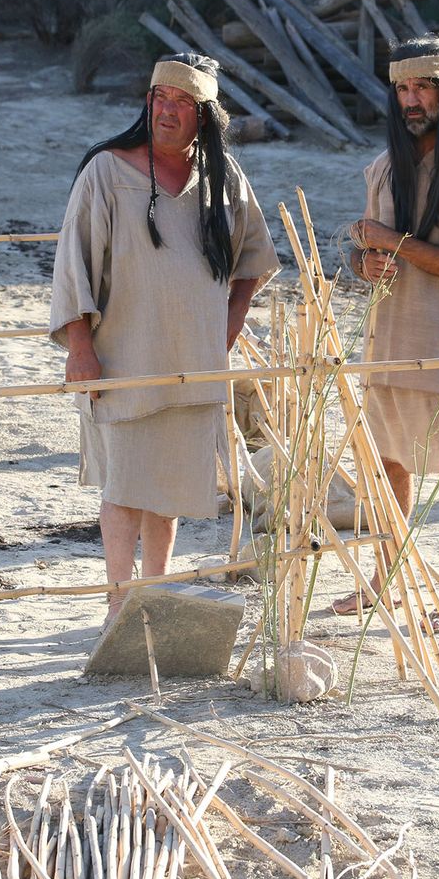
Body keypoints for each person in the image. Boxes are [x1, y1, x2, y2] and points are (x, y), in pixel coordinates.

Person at [50, 53, 280, 621]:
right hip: (126, 358)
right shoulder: (107, 171)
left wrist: (232, 318)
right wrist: (81, 348)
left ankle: (154, 594)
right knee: (125, 485)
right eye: (159, 98)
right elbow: (72, 265)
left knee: (169, 487)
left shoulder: (222, 177)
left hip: (193, 364)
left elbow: (253, 255)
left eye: (181, 102)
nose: (166, 111)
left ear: (204, 114)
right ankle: (118, 601)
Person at [332, 35, 439, 628]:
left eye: (423, 88)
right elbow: (366, 255)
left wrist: (389, 244)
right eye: (403, 88)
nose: (411, 100)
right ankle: (390, 579)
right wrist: (366, 263)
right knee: (389, 464)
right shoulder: (384, 169)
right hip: (391, 334)